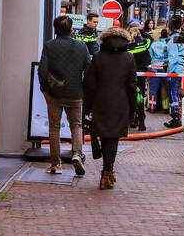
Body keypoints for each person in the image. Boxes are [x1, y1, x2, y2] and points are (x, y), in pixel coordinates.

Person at [84, 27, 138, 189]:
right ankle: (107, 173)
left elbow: (90, 84)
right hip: (120, 102)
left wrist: (88, 105)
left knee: (102, 134)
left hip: (100, 101)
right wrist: (133, 106)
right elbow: (131, 85)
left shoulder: (98, 57)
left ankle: (106, 170)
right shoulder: (129, 57)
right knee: (113, 137)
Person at [39, 15, 92, 175]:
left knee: (54, 128)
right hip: (75, 93)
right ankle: (76, 153)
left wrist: (44, 89)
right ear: (71, 29)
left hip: (54, 93)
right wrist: (84, 90)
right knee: (76, 125)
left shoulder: (49, 46)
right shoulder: (82, 46)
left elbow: (42, 70)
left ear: (55, 29)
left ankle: (56, 164)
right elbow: (88, 70)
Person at [126, 22, 152, 131]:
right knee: (140, 97)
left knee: (129, 97)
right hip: (141, 75)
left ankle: (131, 119)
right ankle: (141, 122)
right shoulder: (144, 43)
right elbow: (150, 38)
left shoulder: (126, 45)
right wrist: (141, 30)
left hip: (129, 76)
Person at [163, 25, 184, 128]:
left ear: (170, 29)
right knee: (178, 93)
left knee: (173, 93)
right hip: (182, 68)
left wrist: (170, 72)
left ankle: (175, 117)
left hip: (175, 69)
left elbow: (173, 57)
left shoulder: (173, 40)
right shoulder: (182, 39)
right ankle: (178, 116)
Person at [148, 28, 170, 113]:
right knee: (167, 89)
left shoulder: (154, 45)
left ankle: (152, 107)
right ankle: (166, 108)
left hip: (154, 68)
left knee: (153, 89)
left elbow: (150, 57)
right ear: (167, 35)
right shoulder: (169, 45)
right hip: (165, 68)